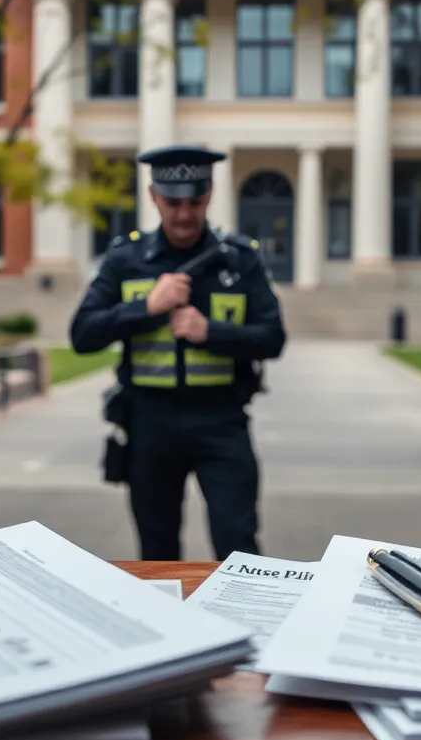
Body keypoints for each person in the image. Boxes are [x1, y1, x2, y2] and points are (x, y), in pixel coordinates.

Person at [69, 144, 287, 562]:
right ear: (153, 196)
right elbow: (82, 334)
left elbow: (273, 338)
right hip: (150, 423)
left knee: (239, 547)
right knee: (157, 552)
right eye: (173, 202)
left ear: (210, 194)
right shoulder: (125, 260)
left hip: (221, 422)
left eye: (196, 201)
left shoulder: (240, 260)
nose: (185, 214)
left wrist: (212, 332)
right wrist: (146, 308)